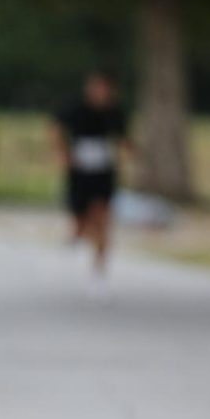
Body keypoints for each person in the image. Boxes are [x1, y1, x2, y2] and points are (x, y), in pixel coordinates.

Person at [49, 70, 134, 296]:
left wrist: (132, 153)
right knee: (81, 221)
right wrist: (62, 153)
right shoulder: (76, 108)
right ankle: (80, 234)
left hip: (103, 171)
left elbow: (123, 138)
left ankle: (99, 272)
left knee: (102, 218)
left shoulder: (114, 112)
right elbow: (55, 126)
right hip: (80, 170)